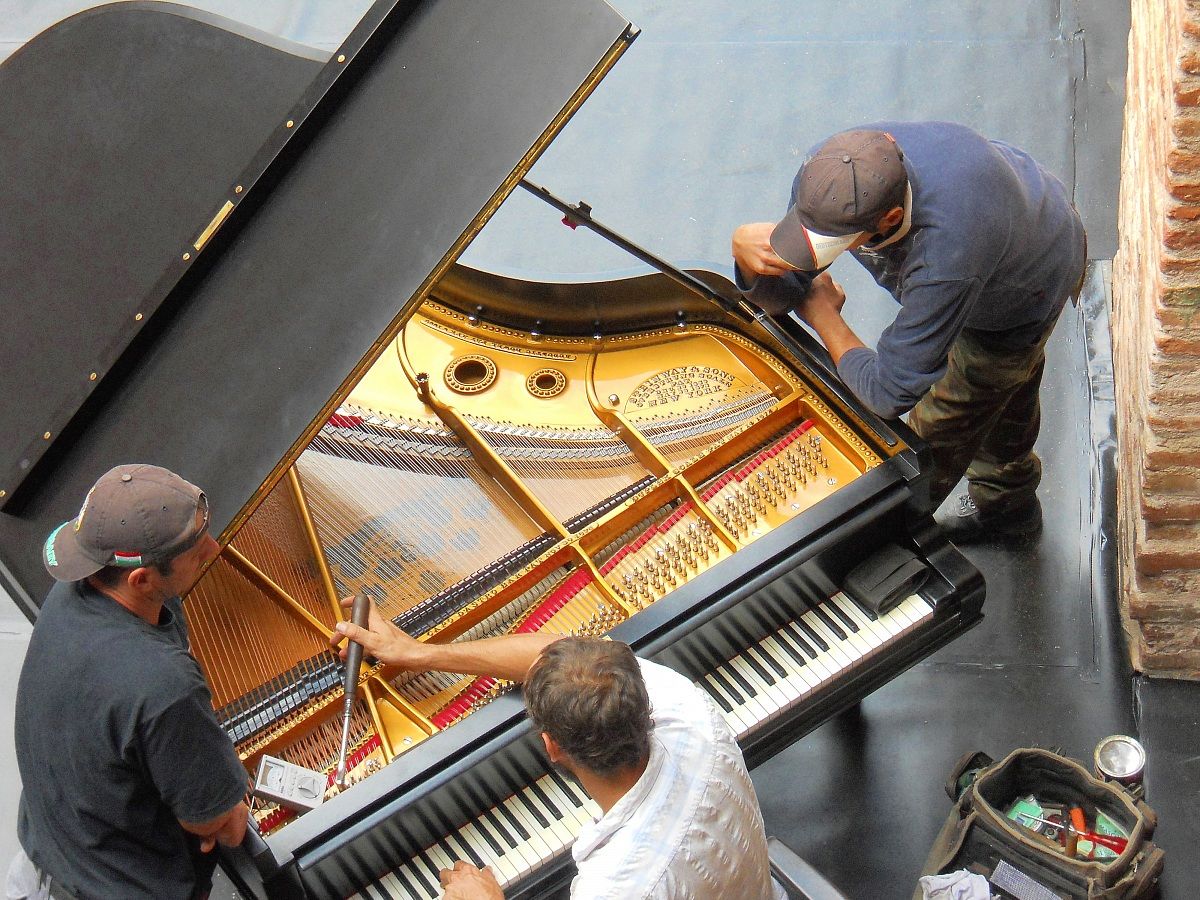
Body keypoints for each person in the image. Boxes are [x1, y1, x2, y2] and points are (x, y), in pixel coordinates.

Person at [731, 122, 1086, 543]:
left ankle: (986, 514)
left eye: (830, 242)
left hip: (1026, 286)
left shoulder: (947, 254)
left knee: (938, 434)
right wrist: (748, 259)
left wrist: (826, 318)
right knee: (1003, 393)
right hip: (1013, 218)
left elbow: (888, 393)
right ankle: (1010, 502)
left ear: (892, 218)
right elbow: (790, 288)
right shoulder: (833, 173)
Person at [332, 607, 786, 900]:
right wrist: (418, 654)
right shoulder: (685, 705)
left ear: (551, 746)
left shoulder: (616, 887)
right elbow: (557, 657)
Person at [9, 464, 249, 900]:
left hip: (44, 864)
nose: (212, 549)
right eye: (195, 548)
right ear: (141, 579)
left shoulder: (72, 594)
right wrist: (225, 811)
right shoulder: (161, 684)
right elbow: (223, 826)